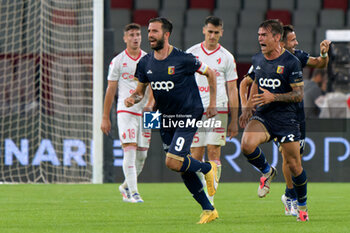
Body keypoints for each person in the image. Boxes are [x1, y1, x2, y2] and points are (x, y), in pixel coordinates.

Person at [124, 17, 219, 224]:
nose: (150, 35)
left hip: (189, 113)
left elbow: (210, 73)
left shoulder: (184, 59)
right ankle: (208, 209)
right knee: (180, 166)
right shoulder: (145, 63)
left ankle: (207, 169)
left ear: (166, 34)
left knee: (173, 161)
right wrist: (133, 98)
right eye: (149, 31)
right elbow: (141, 92)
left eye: (154, 31)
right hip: (165, 118)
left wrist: (212, 104)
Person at [240, 24, 330, 217]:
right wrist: (247, 105)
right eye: (259, 35)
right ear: (282, 40)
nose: (260, 38)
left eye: (264, 35)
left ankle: (300, 205)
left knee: (293, 164)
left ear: (276, 38)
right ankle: (268, 172)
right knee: (247, 145)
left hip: (290, 118)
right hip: (264, 115)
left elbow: (300, 92)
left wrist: (324, 55)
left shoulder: (294, 59)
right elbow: (252, 81)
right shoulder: (258, 58)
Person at [186, 16, 239, 204]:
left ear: (221, 33)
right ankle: (205, 195)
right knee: (195, 156)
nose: (213, 36)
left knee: (214, 152)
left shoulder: (226, 57)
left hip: (219, 109)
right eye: (210, 32)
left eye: (216, 32)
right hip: (195, 111)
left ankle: (211, 200)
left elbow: (233, 89)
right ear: (204, 31)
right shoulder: (191, 53)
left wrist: (234, 119)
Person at [101, 23, 153, 203]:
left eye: (138, 34)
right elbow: (110, 90)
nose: (135, 38)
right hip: (126, 110)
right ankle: (134, 193)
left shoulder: (149, 59)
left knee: (143, 155)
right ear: (125, 38)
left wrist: (151, 105)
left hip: (147, 112)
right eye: (131, 35)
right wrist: (105, 117)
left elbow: (154, 87)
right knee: (129, 150)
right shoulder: (118, 61)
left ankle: (125, 186)